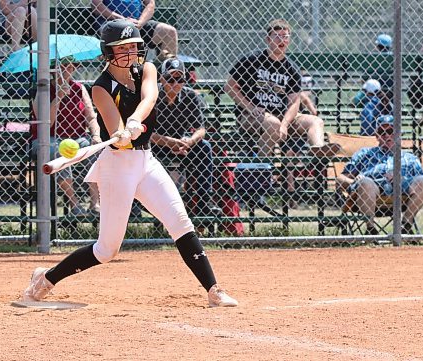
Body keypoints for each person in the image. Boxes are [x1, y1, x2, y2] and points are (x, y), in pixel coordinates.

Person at [22, 20, 238, 308]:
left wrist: (135, 121)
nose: (130, 52)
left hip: (146, 160)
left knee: (180, 222)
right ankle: (46, 278)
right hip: (117, 166)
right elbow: (117, 136)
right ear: (109, 53)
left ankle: (214, 290)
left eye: (134, 47)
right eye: (122, 48)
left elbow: (150, 96)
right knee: (106, 249)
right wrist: (122, 134)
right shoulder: (100, 88)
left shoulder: (146, 70)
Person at [224, 18, 340, 158]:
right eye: (277, 36)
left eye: (285, 37)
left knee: (316, 121)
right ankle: (260, 165)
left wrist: (285, 124)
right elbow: (230, 87)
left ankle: (319, 151)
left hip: (282, 117)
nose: (282, 40)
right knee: (273, 123)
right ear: (268, 39)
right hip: (253, 116)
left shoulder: (292, 69)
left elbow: (294, 103)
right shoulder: (251, 60)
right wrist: (250, 107)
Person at [151, 57, 221, 217]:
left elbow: (201, 129)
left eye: (179, 79)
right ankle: (136, 207)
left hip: (183, 146)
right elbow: (145, 133)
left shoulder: (190, 96)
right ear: (161, 79)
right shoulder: (152, 95)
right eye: (170, 79)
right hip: (156, 146)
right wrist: (170, 143)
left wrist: (189, 141)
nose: (175, 83)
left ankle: (204, 204)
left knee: (204, 147)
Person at [336, 116, 423, 235]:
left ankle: (405, 226)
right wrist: (356, 182)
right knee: (366, 182)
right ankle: (371, 230)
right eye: (382, 132)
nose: (386, 135)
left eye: (390, 131)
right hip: (371, 189)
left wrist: (402, 179)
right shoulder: (364, 153)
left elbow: (421, 185)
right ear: (377, 136)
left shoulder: (409, 158)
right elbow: (340, 179)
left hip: (401, 192)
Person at [30, 58, 101, 215]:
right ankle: (74, 203)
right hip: (47, 139)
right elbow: (45, 124)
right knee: (57, 150)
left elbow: (90, 117)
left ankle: (95, 202)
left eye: (72, 66)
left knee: (96, 150)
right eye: (63, 66)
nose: (68, 69)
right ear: (53, 70)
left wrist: (96, 135)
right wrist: (59, 97)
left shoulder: (79, 88)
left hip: (77, 137)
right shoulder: (43, 89)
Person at [91, 0, 178, 60]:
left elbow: (150, 4)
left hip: (137, 24)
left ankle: (165, 75)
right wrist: (122, 19)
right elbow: (96, 5)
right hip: (112, 23)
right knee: (119, 33)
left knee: (169, 32)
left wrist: (141, 22)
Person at [353, 33, 394, 106]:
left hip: (373, 89)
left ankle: (356, 103)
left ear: (378, 46)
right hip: (390, 88)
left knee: (365, 85)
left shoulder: (372, 57)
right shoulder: (394, 57)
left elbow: (365, 76)